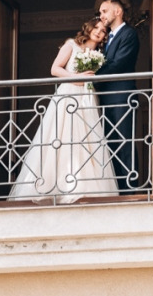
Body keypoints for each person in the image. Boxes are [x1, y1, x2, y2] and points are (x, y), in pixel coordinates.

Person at [8, 17, 119, 203]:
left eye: (104, 31)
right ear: (89, 27)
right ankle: (55, 186)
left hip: (87, 97)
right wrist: (75, 77)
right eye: (97, 27)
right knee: (62, 136)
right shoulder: (71, 44)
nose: (99, 32)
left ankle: (85, 186)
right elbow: (55, 69)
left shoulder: (99, 53)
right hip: (69, 94)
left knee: (87, 139)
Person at [95, 0, 145, 192]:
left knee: (125, 143)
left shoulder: (129, 34)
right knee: (111, 144)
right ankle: (116, 187)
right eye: (100, 12)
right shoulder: (107, 38)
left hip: (122, 97)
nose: (101, 16)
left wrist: (92, 75)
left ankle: (129, 188)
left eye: (104, 11)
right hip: (107, 98)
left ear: (118, 12)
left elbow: (119, 64)